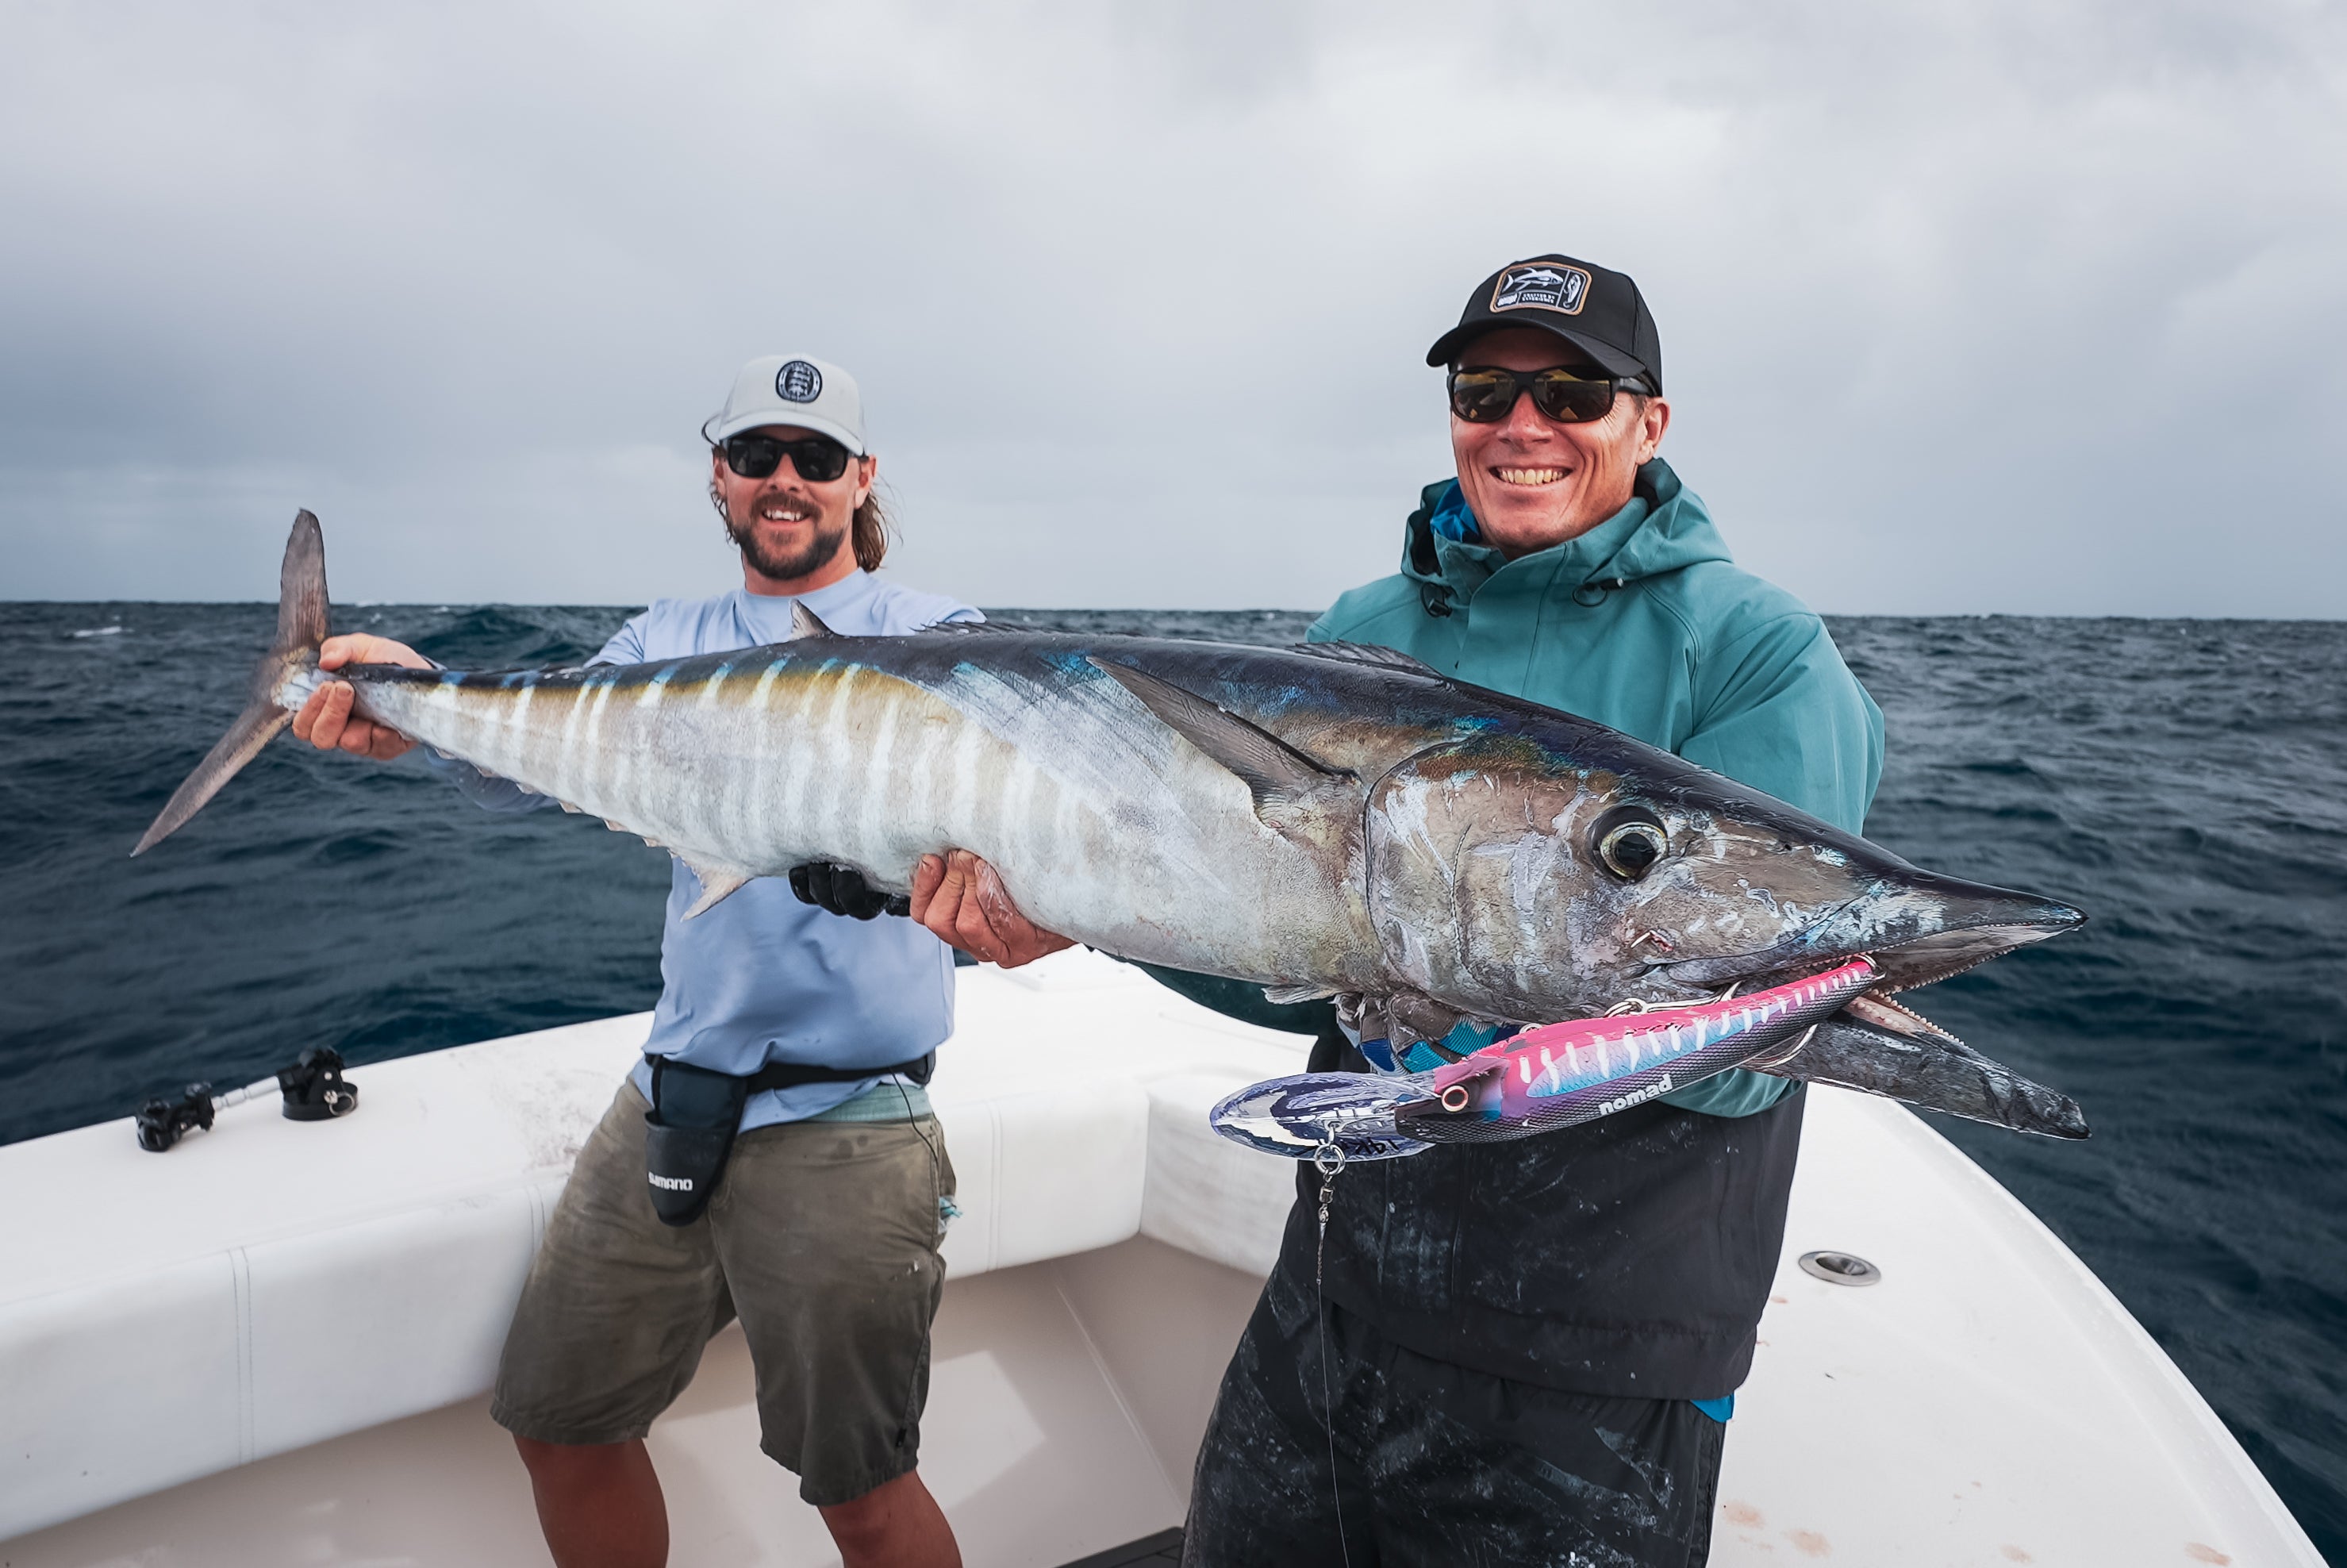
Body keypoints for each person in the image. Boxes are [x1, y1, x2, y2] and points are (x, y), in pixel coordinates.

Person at [897, 256, 1884, 1564]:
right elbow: (1270, 951)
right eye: (1486, 387)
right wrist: (1082, 911)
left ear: (1648, 423)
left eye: (1573, 389)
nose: (1522, 423)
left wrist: (1450, 988)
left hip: (1605, 1337)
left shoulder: (1754, 650)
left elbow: (1750, 1042)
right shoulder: (1360, 631)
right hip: (1341, 1290)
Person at [292, 355, 976, 1568]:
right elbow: (527, 753)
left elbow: (975, 832)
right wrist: (409, 705)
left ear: (859, 479)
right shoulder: (663, 639)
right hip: (671, 1097)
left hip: (850, 1120)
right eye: (757, 455)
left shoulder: (942, 639)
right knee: (560, 1424)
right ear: (718, 475)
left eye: (816, 460)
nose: (785, 481)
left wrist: (878, 868)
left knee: (860, 1496)